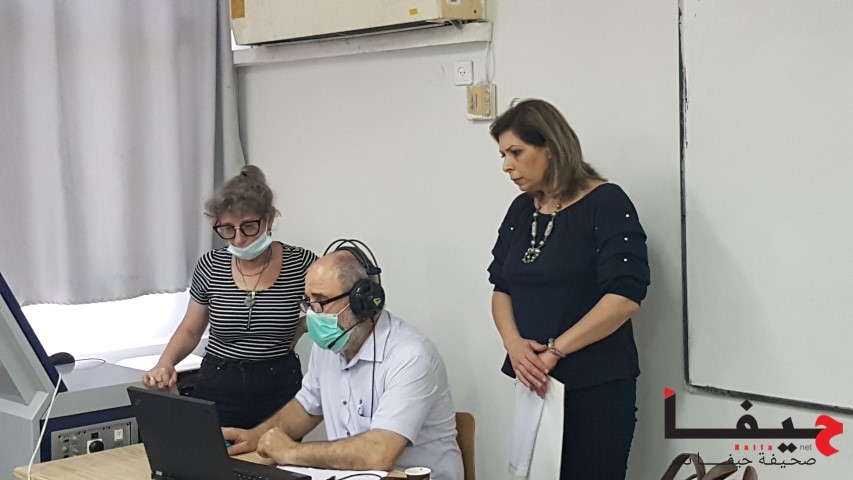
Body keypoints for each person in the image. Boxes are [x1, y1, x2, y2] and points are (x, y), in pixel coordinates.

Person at [487, 99, 650, 479]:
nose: (507, 165)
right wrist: (513, 343)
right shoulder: (521, 210)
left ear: (550, 147)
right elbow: (501, 286)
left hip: (596, 387)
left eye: (516, 152)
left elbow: (624, 298)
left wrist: (555, 351)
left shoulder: (606, 203)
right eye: (503, 155)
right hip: (535, 383)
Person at [223, 240, 463, 480]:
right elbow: (306, 407)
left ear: (362, 301)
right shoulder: (330, 346)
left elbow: (379, 453)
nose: (313, 314)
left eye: (321, 301)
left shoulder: (411, 356)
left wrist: (291, 451)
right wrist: (257, 436)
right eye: (308, 302)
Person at [142, 165, 317, 428]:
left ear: (269, 219)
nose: (239, 239)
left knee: (277, 452)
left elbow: (332, 307)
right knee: (217, 451)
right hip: (219, 382)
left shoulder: (301, 263)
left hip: (278, 384)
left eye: (249, 227)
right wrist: (165, 363)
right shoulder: (211, 265)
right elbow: (190, 329)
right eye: (227, 229)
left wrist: (303, 325)